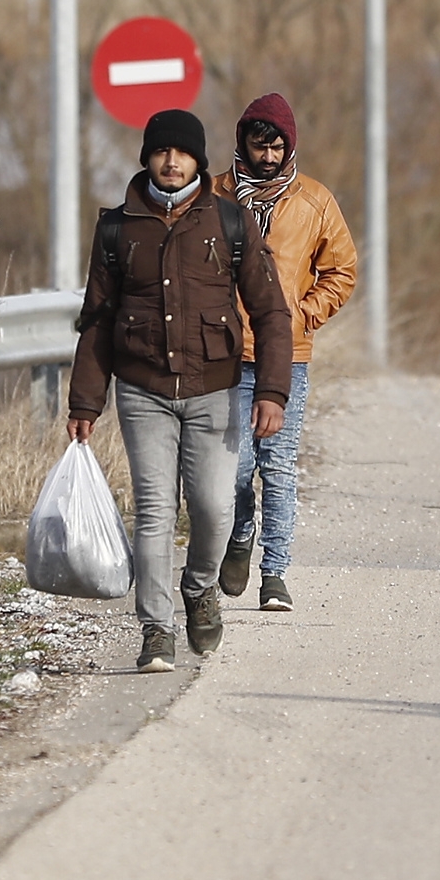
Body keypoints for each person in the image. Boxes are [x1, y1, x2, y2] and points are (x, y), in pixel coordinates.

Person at [67, 106, 294, 674]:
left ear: (198, 160)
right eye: (161, 151)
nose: (171, 161)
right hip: (141, 391)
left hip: (215, 388)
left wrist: (272, 391)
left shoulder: (230, 221)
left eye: (182, 152)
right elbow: (97, 318)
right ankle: (155, 630)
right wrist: (84, 402)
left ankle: (198, 589)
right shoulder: (117, 227)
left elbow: (271, 314)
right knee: (153, 511)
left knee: (215, 510)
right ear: (146, 157)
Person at [214, 93, 359, 613]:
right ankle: (239, 535)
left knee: (277, 466)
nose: (269, 156)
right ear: (243, 145)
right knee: (232, 468)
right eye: (260, 146)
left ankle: (275, 574)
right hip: (226, 353)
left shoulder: (315, 201)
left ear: (290, 146)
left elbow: (342, 271)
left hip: (288, 355)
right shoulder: (213, 195)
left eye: (277, 146)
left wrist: (302, 313)